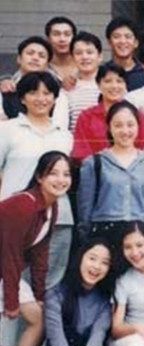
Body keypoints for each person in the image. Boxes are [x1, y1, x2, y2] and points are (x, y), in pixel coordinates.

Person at [0, 151, 72, 346]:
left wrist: (40, 295)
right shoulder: (24, 205)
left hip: (6, 271)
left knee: (40, 317)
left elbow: (40, 255)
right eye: (53, 173)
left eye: (66, 174)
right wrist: (11, 301)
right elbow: (9, 254)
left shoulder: (51, 207)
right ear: (40, 177)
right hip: (5, 267)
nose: (61, 180)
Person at [0, 72, 74, 292]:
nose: (41, 99)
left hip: (58, 218)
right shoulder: (7, 130)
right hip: (16, 220)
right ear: (22, 98)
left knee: (49, 284)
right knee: (12, 283)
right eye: (33, 93)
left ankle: (43, 316)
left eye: (47, 93)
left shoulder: (64, 136)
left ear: (55, 98)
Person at [25, 237, 115, 346]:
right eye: (92, 258)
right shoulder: (56, 293)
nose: (96, 266)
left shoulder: (104, 303)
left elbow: (98, 335)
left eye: (104, 262)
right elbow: (55, 334)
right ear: (80, 257)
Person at [77, 101, 144, 250]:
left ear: (138, 126)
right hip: (104, 233)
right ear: (109, 127)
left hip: (137, 235)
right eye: (118, 125)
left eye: (130, 125)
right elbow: (85, 206)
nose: (125, 131)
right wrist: (86, 239)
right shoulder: (95, 163)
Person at [72, 64, 144, 165]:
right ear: (98, 84)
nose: (114, 86)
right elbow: (82, 153)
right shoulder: (86, 117)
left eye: (119, 81)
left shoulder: (138, 117)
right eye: (108, 81)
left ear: (126, 85)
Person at [0, 36, 69, 128]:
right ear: (19, 59)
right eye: (30, 53)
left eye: (42, 56)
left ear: (47, 65)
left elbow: (59, 127)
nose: (35, 58)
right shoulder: (5, 90)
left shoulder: (58, 95)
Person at [66, 31, 103, 133]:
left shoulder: (112, 85)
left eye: (89, 52)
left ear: (100, 57)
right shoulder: (66, 88)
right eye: (78, 53)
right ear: (72, 58)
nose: (84, 57)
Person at [104, 17, 144, 91]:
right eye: (116, 37)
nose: (123, 41)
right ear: (109, 42)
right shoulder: (102, 72)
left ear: (136, 43)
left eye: (128, 37)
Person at [45, 16, 78, 87]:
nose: (62, 39)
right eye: (56, 34)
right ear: (48, 39)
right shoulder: (41, 67)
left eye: (67, 34)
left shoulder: (85, 65)